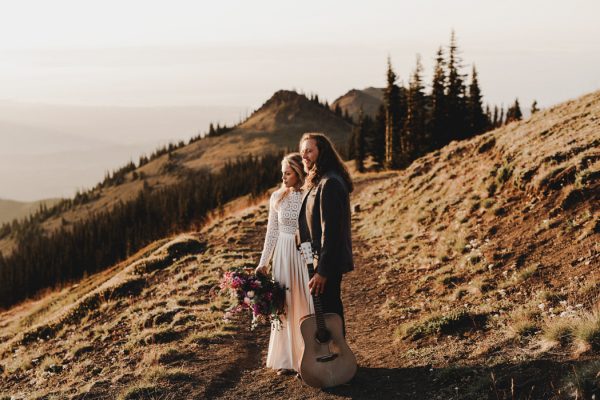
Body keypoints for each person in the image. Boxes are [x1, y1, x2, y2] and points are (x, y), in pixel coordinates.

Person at [255, 153, 314, 375]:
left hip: (302, 254)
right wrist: (264, 262)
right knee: (285, 305)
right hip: (282, 253)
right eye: (282, 173)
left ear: (298, 173)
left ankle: (308, 357)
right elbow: (272, 232)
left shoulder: (308, 194)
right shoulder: (276, 197)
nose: (283, 177)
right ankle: (288, 359)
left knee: (306, 302)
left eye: (288, 173)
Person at [297, 132, 354, 333]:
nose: (304, 156)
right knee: (328, 308)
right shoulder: (319, 180)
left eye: (309, 151)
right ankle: (337, 358)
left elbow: (331, 232)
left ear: (322, 153)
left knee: (330, 311)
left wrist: (322, 270)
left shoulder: (329, 183)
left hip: (328, 261)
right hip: (319, 259)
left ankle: (340, 359)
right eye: (302, 152)